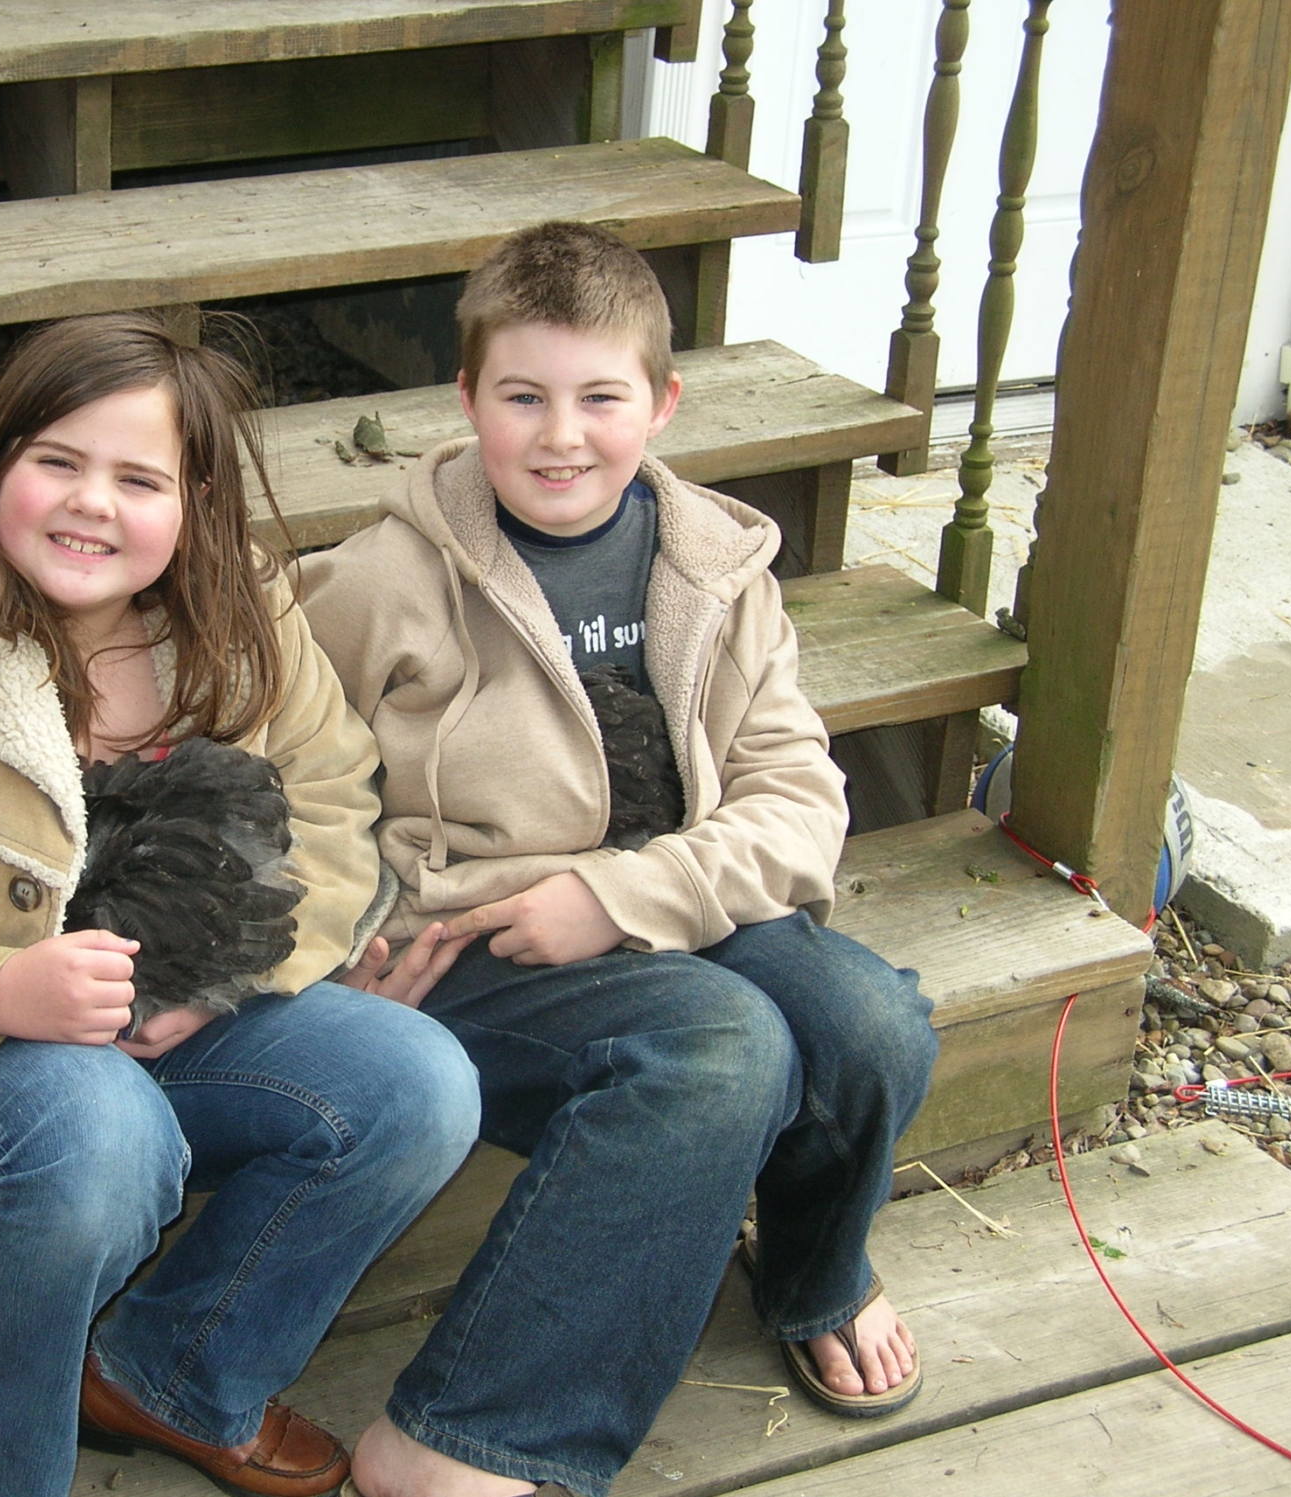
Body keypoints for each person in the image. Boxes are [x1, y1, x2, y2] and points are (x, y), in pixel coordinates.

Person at [0, 312, 481, 1497]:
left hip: (174, 1021)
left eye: (138, 478)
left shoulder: (238, 624)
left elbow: (333, 796)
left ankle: (173, 1372)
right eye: (57, 462)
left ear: (194, 506)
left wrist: (217, 981)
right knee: (103, 1139)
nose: (92, 504)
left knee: (417, 1084)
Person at [300, 221, 940, 1497]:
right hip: (472, 943)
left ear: (660, 403)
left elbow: (797, 798)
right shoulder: (380, 582)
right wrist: (333, 950)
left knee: (869, 1023)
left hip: (669, 902)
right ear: (466, 398)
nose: (559, 436)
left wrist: (616, 893)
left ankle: (813, 1272)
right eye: (521, 396)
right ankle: (463, 1435)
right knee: (722, 1051)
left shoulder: (714, 566)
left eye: (600, 397)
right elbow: (284, 774)